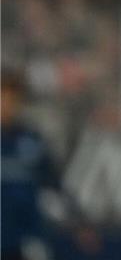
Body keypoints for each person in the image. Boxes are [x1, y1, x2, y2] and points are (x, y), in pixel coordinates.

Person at [1, 68, 99, 260]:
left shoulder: (30, 141)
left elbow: (55, 184)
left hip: (27, 238)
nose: (6, 105)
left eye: (12, 99)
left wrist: (80, 223)